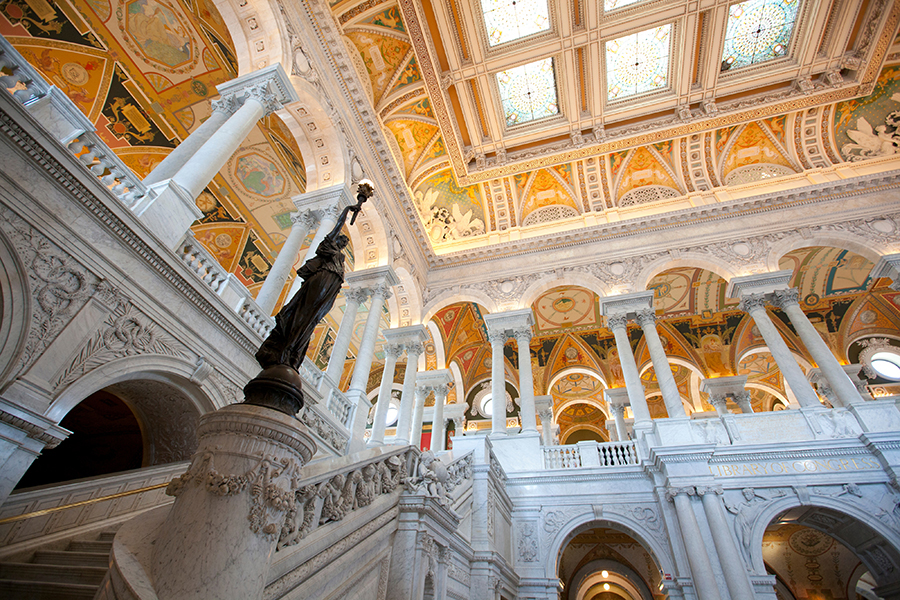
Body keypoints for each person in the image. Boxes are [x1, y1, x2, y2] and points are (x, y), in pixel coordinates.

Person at [255, 188, 368, 370]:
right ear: (336, 240)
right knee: (304, 312)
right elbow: (338, 225)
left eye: (346, 243)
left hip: (331, 288)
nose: (344, 244)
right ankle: (286, 345)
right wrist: (350, 208)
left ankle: (294, 350)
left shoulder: (340, 257)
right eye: (342, 241)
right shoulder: (329, 244)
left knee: (313, 318)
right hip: (321, 280)